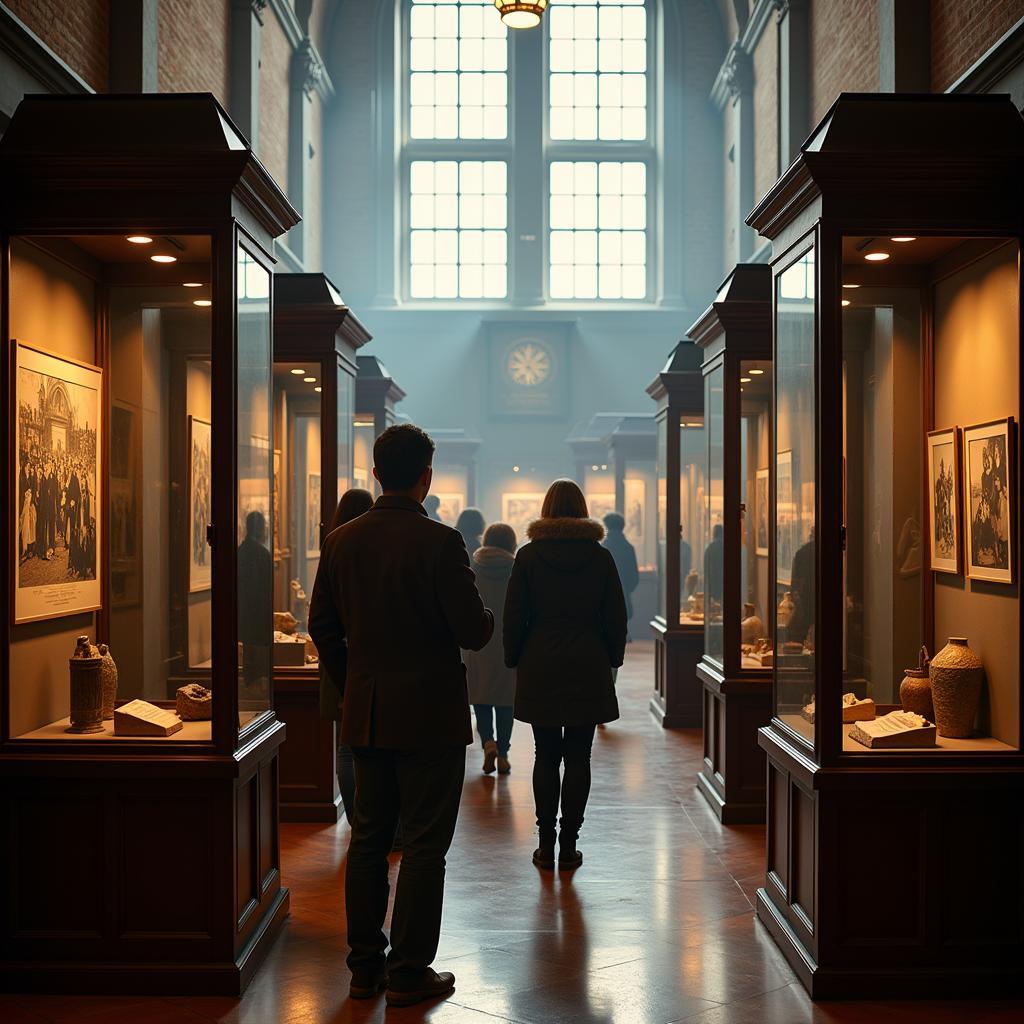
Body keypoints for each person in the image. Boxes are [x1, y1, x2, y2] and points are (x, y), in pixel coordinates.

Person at [308, 424, 493, 1008]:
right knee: (422, 845)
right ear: (426, 477)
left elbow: (322, 628)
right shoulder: (440, 543)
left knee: (367, 840)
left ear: (375, 472)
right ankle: (409, 970)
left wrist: (355, 678)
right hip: (431, 714)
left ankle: (364, 968)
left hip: (367, 709)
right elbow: (473, 630)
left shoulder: (341, 542)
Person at [503, 479, 627, 872]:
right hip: (587, 661)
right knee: (579, 755)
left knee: (545, 754)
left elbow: (513, 615)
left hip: (541, 661)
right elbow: (615, 615)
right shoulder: (600, 557)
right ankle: (569, 844)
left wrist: (513, 657)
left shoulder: (528, 556)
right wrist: (613, 657)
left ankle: (544, 843)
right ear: (583, 509)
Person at [319, 487, 375, 825]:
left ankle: (357, 820)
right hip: (369, 655)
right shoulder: (372, 549)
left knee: (345, 745)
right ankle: (375, 818)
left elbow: (321, 621)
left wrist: (340, 671)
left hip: (340, 657)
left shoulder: (334, 546)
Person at [464, 522, 518, 775]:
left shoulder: (473, 567)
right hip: (508, 641)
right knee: (506, 700)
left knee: (481, 696)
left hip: (480, 639)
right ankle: (504, 753)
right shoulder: (517, 569)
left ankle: (488, 742)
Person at [601, 512, 640, 632]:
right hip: (625, 593)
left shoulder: (604, 546)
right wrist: (626, 590)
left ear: (607, 526)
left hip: (605, 594)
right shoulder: (628, 547)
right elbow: (634, 576)